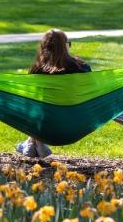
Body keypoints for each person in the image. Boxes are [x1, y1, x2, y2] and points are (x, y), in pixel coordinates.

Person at [16, 29, 91, 158]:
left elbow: (32, 101)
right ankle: (34, 142)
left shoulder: (38, 70)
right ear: (65, 45)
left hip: (46, 125)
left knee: (35, 105)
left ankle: (33, 141)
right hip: (77, 122)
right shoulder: (82, 68)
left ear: (44, 47)